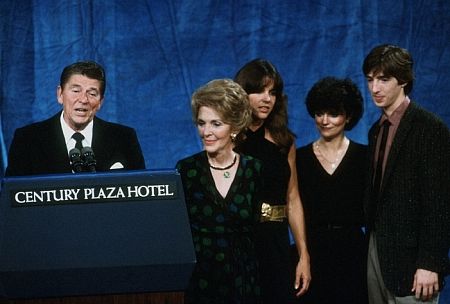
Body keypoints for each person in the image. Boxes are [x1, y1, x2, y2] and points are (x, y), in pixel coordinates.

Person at [363, 44, 450, 303]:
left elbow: (441, 202)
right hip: (377, 253)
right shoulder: (375, 131)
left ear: (403, 80)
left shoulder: (430, 128)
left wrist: (431, 262)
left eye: (383, 79)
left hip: (414, 265)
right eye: (370, 79)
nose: (374, 88)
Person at [176, 79, 263, 304]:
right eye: (201, 123)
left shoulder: (253, 169)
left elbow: (257, 229)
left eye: (216, 124)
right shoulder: (186, 169)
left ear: (234, 127)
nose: (206, 132)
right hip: (201, 281)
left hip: (243, 280)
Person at [234, 58, 311, 303]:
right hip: (241, 242)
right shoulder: (230, 140)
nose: (267, 98)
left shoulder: (284, 141)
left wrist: (303, 255)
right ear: (242, 93)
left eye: (273, 92)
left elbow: (293, 198)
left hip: (276, 241)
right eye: (259, 91)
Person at [294, 77, 368, 303]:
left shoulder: (366, 157)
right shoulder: (299, 159)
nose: (324, 120)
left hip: (354, 254)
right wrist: (302, 255)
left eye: (333, 113)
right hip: (312, 254)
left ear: (348, 117)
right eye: (319, 113)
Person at [5, 61, 145, 176]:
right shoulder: (27, 139)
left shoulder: (124, 138)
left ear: (100, 102)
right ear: (60, 94)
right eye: (76, 91)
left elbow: (140, 193)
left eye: (92, 93)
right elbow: (13, 198)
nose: (83, 99)